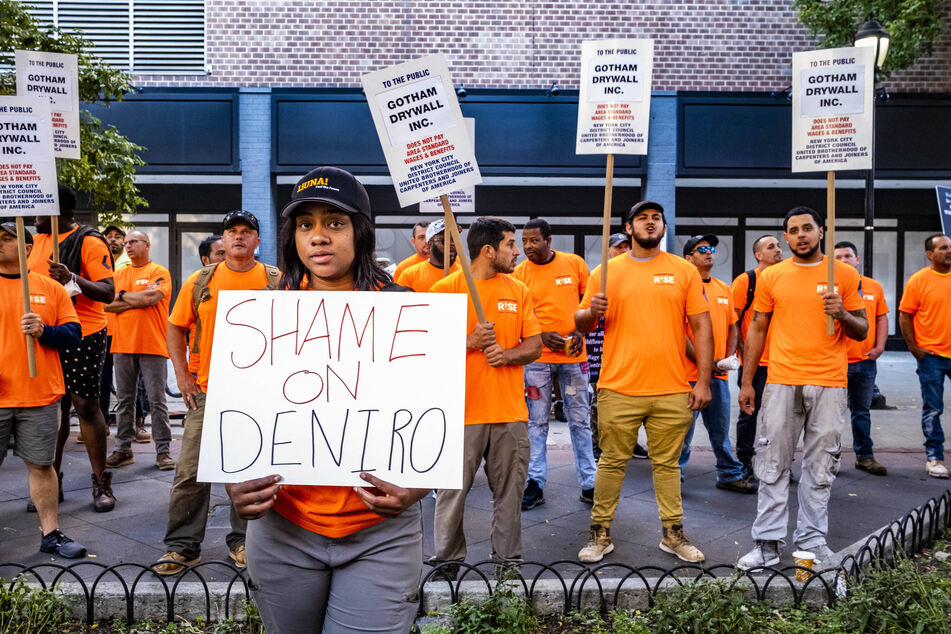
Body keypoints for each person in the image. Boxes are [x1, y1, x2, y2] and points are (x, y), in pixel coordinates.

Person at [226, 167, 429, 633]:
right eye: (305, 224)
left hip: (381, 532)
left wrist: (421, 485)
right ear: (292, 238)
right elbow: (240, 417)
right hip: (282, 527)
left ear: (361, 231)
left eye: (335, 223)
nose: (318, 237)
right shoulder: (262, 316)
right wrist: (233, 481)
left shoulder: (408, 311)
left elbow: (437, 418)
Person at [576, 201, 713, 564]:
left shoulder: (684, 271)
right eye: (642, 218)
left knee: (667, 465)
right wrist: (592, 311)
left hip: (672, 387)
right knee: (611, 462)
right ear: (629, 227)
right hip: (618, 386)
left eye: (656, 218)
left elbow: (701, 327)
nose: (650, 223)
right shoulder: (605, 272)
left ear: (664, 227)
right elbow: (581, 322)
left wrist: (703, 381)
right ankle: (599, 533)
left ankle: (673, 534)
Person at [737, 206, 867, 570]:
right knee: (772, 463)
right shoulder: (772, 276)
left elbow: (862, 330)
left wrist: (842, 313)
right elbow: (758, 328)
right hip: (781, 381)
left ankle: (811, 542)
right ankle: (766, 543)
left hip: (829, 382)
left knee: (820, 466)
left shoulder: (844, 273)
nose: (801, 235)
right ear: (786, 237)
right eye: (793, 230)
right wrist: (747, 382)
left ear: (821, 231)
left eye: (807, 228)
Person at [157, 212, 280, 575]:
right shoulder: (200, 282)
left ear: (258, 241)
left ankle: (243, 542)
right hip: (208, 391)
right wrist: (182, 376)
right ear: (222, 241)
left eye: (247, 232)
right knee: (191, 472)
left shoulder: (278, 282)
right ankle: (182, 547)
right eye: (232, 232)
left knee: (251, 470)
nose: (239, 238)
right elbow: (176, 328)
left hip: (261, 394)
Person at [430, 216, 542, 572]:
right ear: (489, 250)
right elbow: (423, 347)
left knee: (509, 497)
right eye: (511, 244)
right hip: (459, 413)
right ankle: (447, 564)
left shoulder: (518, 290)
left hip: (510, 413)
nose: (518, 252)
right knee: (451, 496)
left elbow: (535, 345)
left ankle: (507, 566)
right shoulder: (446, 289)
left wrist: (507, 355)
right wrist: (469, 342)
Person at [0, 223, 86, 557]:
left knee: (41, 464)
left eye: (8, 238)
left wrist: (44, 330)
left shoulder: (50, 288)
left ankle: (51, 534)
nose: (1, 244)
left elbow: (73, 334)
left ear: (26, 248)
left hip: (39, 394)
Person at [29, 186, 116, 512]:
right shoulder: (35, 241)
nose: (35, 215)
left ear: (60, 210)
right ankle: (52, 480)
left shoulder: (89, 241)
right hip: (47, 335)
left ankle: (100, 481)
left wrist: (73, 277)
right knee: (54, 407)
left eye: (39, 209)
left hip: (84, 333)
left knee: (85, 406)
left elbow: (108, 292)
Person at [512, 217, 596, 508]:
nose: (527, 247)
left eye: (533, 241)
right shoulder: (518, 273)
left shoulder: (575, 264)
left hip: (574, 357)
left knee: (580, 422)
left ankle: (590, 483)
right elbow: (519, 319)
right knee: (536, 423)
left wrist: (580, 331)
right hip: (537, 360)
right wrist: (540, 335)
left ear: (549, 241)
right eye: (523, 242)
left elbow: (588, 308)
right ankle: (535, 482)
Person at [678, 234, 754, 493]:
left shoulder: (723, 288)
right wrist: (704, 362)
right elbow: (679, 332)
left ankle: (729, 474)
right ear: (689, 258)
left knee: (720, 431)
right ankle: (674, 478)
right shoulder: (683, 288)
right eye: (702, 250)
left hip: (718, 374)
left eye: (711, 249)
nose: (709, 253)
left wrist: (727, 359)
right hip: (688, 374)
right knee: (683, 434)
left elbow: (733, 328)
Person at [103, 231, 174, 470]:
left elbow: (151, 298)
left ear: (147, 244)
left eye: (133, 242)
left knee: (157, 401)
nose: (128, 246)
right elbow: (106, 304)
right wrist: (132, 299)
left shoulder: (159, 272)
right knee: (124, 401)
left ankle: (163, 452)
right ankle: (123, 449)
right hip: (122, 344)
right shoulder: (119, 273)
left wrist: (122, 297)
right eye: (126, 244)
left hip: (153, 344)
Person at [834, 241, 889, 476]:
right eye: (838, 257)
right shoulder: (828, 287)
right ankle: (830, 458)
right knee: (832, 413)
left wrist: (880, 347)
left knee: (862, 412)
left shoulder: (873, 286)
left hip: (866, 362)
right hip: (837, 362)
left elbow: (881, 318)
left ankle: (865, 457)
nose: (844, 260)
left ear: (858, 260)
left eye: (848, 256)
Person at [731, 235, 783, 482]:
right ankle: (743, 462)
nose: (778, 250)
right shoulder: (746, 281)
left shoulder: (785, 277)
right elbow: (734, 322)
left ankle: (778, 463)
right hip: (756, 364)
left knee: (781, 418)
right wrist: (744, 354)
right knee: (749, 414)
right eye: (771, 247)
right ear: (758, 255)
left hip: (783, 364)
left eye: (778, 246)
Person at [898, 234, 951, 479]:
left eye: (950, 246)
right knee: (933, 409)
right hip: (932, 356)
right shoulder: (919, 280)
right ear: (930, 254)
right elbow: (905, 315)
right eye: (943, 248)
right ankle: (934, 457)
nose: (948, 251)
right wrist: (915, 349)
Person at [98, 224, 128, 431]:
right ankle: (102, 423)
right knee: (101, 379)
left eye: (118, 236)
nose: (113, 239)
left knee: (129, 380)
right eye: (109, 236)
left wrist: (109, 301)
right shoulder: (99, 263)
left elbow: (133, 299)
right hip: (101, 329)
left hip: (125, 330)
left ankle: (137, 422)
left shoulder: (130, 263)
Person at [396, 218, 460, 291]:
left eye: (454, 239)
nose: (451, 244)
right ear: (430, 245)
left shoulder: (468, 276)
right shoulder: (409, 276)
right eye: (444, 240)